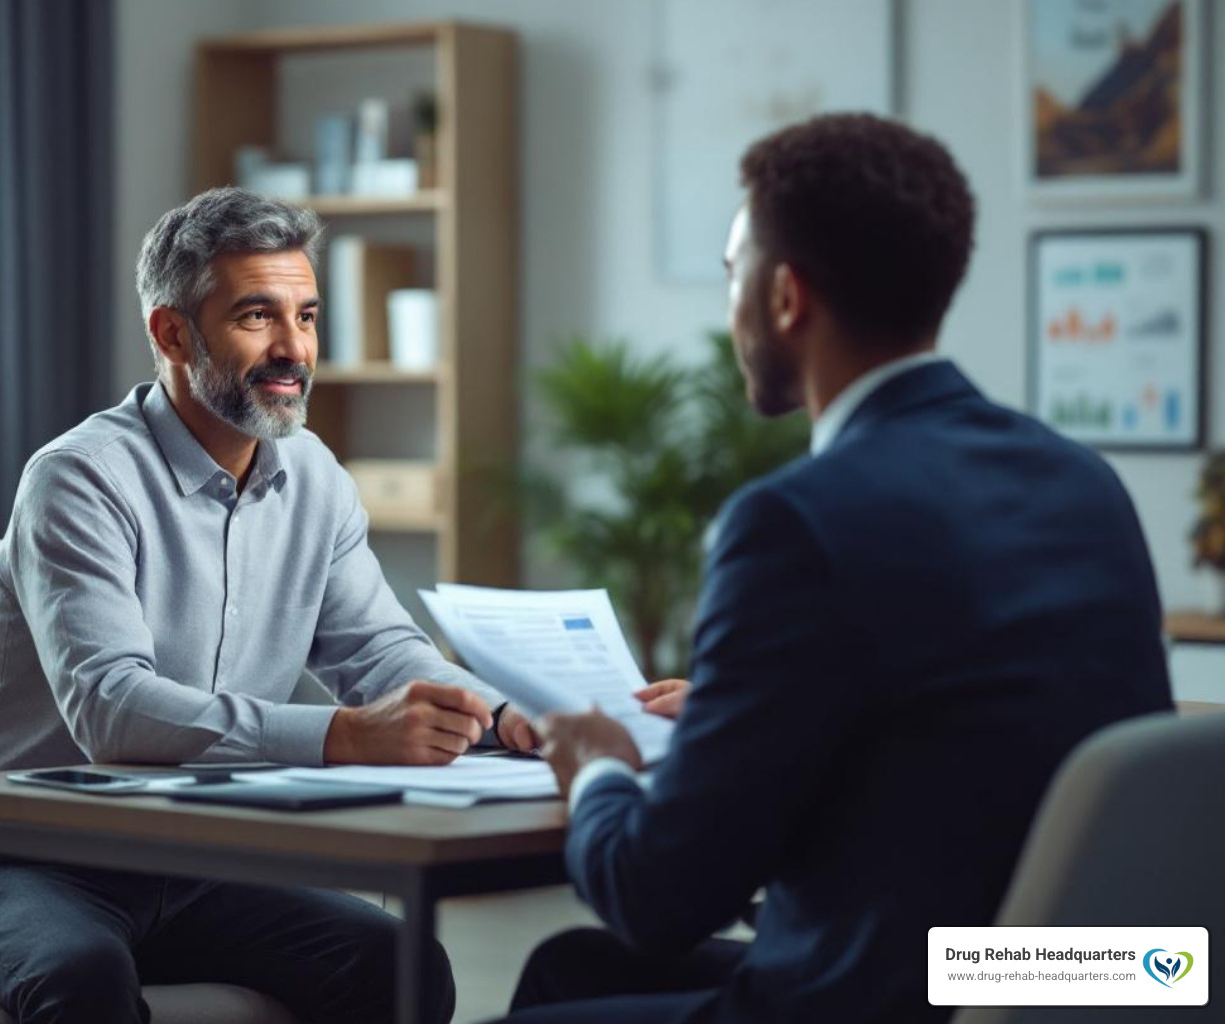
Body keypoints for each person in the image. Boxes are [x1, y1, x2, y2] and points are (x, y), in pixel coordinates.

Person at [501, 113, 1172, 1024]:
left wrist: (597, 770)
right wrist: (748, 722)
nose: (728, 304)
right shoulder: (1081, 481)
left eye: (733, 274)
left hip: (881, 999)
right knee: (574, 972)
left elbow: (657, 900)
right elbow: (957, 738)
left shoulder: (793, 523)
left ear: (786, 297)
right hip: (1073, 983)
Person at [0, 187, 537, 1024]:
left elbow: (381, 653)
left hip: (196, 858)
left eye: (309, 316)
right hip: (21, 857)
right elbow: (113, 707)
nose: (295, 349)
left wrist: (504, 713)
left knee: (396, 964)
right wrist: (343, 735)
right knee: (82, 982)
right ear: (172, 333)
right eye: (258, 317)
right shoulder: (81, 477)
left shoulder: (314, 476)